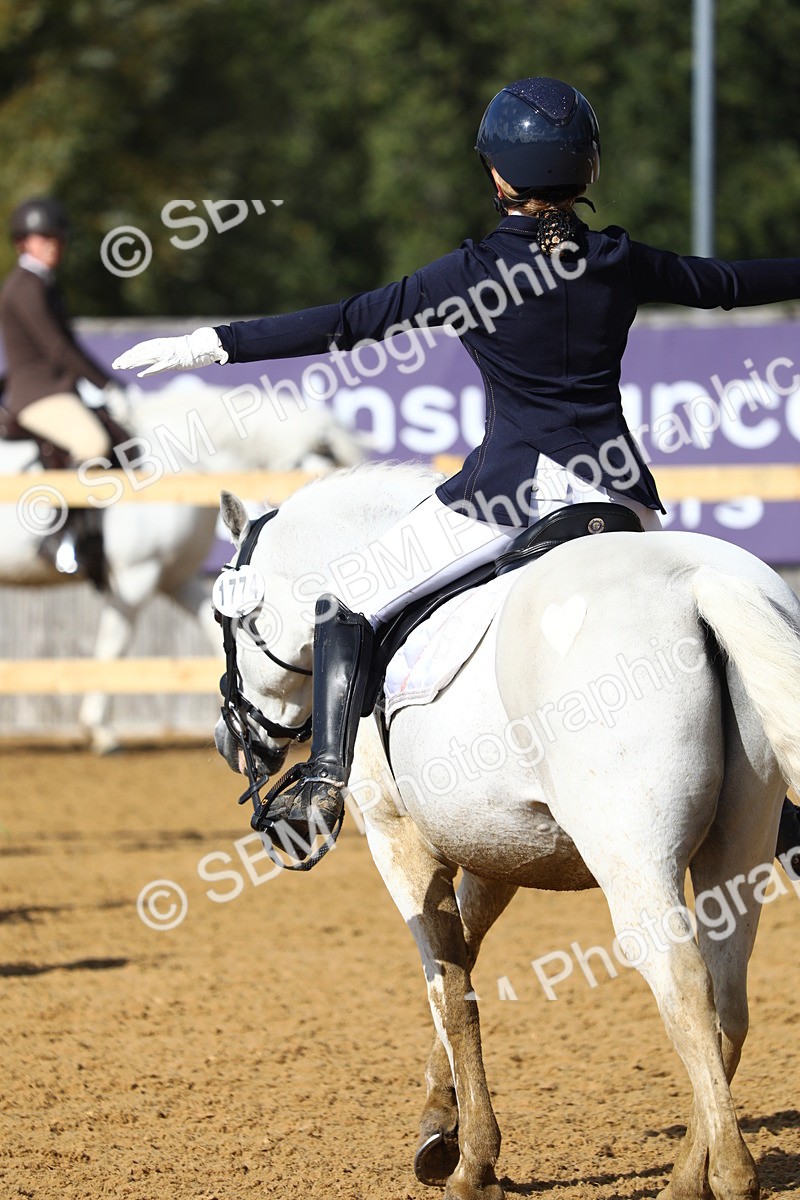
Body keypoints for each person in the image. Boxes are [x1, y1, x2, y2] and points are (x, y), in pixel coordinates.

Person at [113, 76, 800, 843]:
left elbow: (348, 322)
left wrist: (220, 342)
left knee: (345, 598)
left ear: (497, 174)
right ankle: (784, 819)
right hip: (619, 496)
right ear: (589, 170)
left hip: (512, 497)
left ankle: (322, 783)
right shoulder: (616, 257)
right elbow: (732, 284)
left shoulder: (472, 270)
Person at [0, 197, 128, 578]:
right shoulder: (25, 286)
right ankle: (59, 533)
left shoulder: (43, 284)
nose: (53, 244)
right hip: (39, 395)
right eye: (44, 238)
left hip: (56, 389)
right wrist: (106, 384)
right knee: (91, 444)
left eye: (57, 238)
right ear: (24, 241)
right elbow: (57, 347)